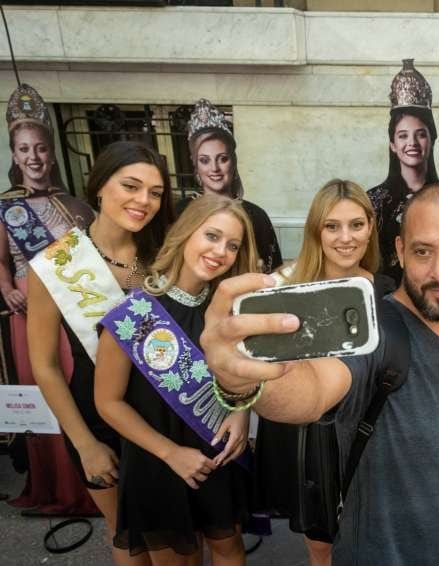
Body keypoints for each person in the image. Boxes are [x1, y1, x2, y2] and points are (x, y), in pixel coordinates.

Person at [200, 183, 439, 566]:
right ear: (400, 250)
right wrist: (243, 381)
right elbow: (311, 392)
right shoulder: (375, 332)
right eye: (422, 251)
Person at [28, 141, 174, 564]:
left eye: (155, 192)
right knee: (126, 533)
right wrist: (84, 443)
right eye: (130, 186)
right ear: (99, 187)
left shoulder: (165, 252)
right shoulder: (57, 264)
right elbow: (46, 366)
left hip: (165, 411)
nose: (143, 200)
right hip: (96, 416)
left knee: (172, 533)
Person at [94, 195, 257, 564]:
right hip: (157, 457)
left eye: (232, 245)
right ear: (185, 233)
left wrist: (241, 413)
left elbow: (244, 381)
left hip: (215, 448)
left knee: (229, 546)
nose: (221, 251)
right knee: (178, 559)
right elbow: (107, 402)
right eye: (212, 236)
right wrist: (171, 454)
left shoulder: (233, 312)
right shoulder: (134, 313)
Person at [254, 179, 388, 566]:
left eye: (356, 225)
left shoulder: (386, 290)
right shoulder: (286, 284)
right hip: (307, 437)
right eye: (332, 226)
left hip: (363, 433)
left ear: (370, 227)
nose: (345, 237)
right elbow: (258, 363)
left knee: (369, 536)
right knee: (322, 546)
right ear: (317, 230)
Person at [0, 83, 98, 514]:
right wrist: (6, 289)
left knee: (79, 389)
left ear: (52, 152)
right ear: (14, 154)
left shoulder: (77, 207)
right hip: (28, 315)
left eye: (40, 148)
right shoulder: (4, 209)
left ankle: (89, 479)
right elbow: (1, 262)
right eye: (24, 149)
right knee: (43, 394)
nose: (34, 157)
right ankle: (54, 486)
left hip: (74, 313)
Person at [177, 98, 282, 273]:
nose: (215, 168)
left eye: (222, 159)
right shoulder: (180, 211)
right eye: (204, 160)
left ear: (233, 161)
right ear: (195, 163)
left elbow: (272, 273)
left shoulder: (256, 216)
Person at [368, 59, 439, 286]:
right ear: (392, 144)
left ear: (432, 138)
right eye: (403, 136)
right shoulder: (372, 202)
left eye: (420, 134)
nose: (412, 143)